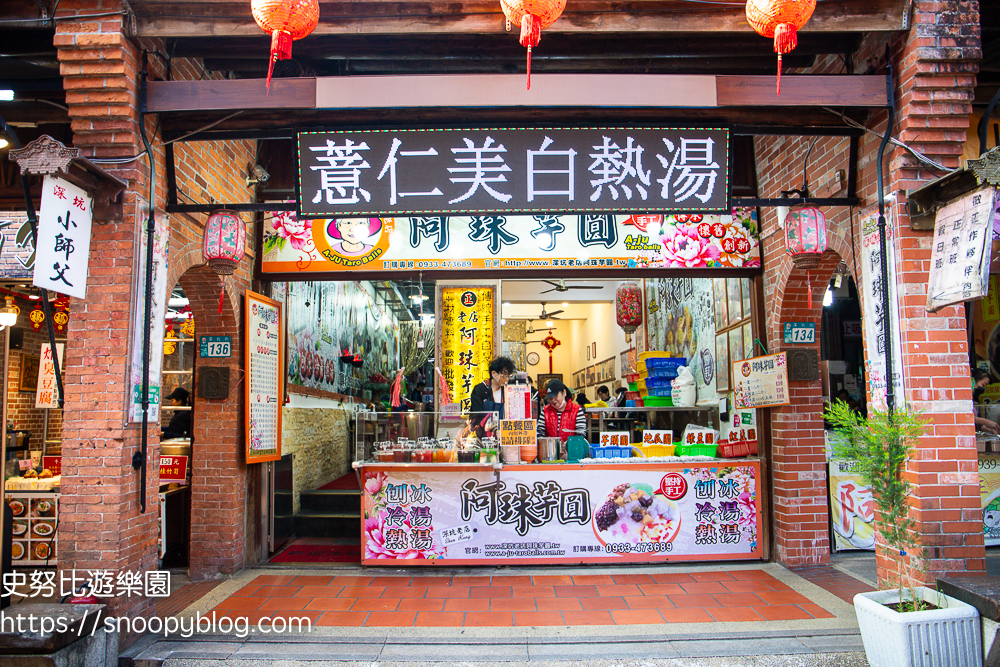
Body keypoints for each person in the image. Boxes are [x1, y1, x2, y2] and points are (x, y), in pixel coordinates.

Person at [470, 356, 516, 427]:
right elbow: (477, 415)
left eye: (508, 375)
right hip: (484, 432)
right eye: (504, 375)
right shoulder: (480, 389)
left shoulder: (507, 391)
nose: (507, 379)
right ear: (494, 373)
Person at [973, 368, 1000, 434]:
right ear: (973, 381)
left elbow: (977, 424)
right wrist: (985, 422)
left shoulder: (974, 399)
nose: (984, 388)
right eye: (983, 385)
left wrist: (991, 430)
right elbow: (965, 418)